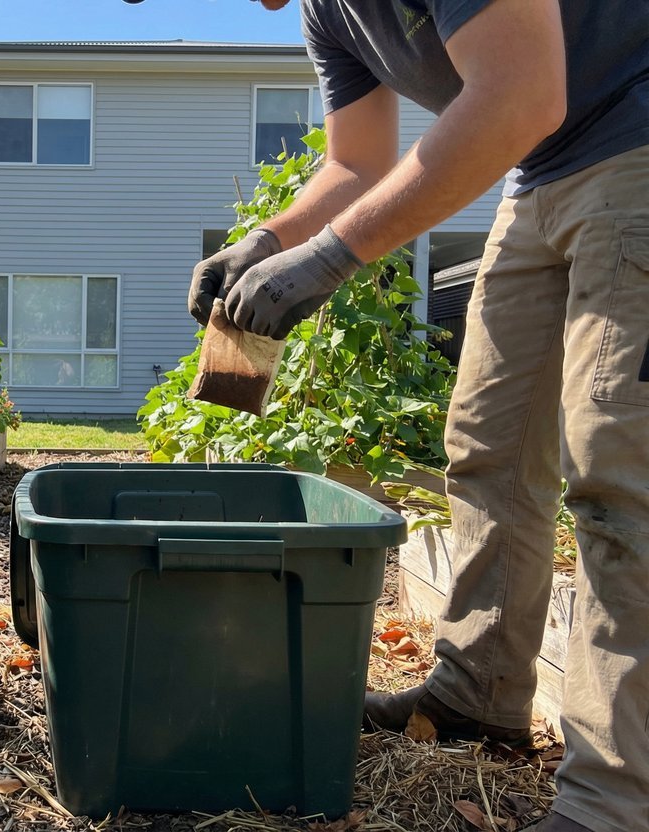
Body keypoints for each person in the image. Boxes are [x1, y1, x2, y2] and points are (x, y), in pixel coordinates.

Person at [186, 2, 648, 831]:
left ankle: (614, 801)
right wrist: (270, 236)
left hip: (635, 137)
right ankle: (480, 694)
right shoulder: (332, 18)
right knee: (488, 449)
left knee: (619, 478)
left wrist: (331, 256)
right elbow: (357, 163)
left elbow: (520, 92)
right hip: (540, 168)